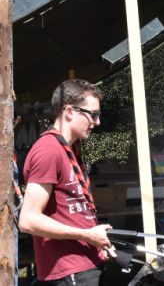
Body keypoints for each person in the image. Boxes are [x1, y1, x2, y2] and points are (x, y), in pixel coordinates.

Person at [19, 79, 115, 285]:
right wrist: (86, 235)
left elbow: (72, 212)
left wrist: (97, 241)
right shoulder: (48, 150)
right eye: (93, 114)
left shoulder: (69, 149)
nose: (97, 122)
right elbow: (28, 220)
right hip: (70, 271)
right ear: (70, 111)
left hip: (86, 264)